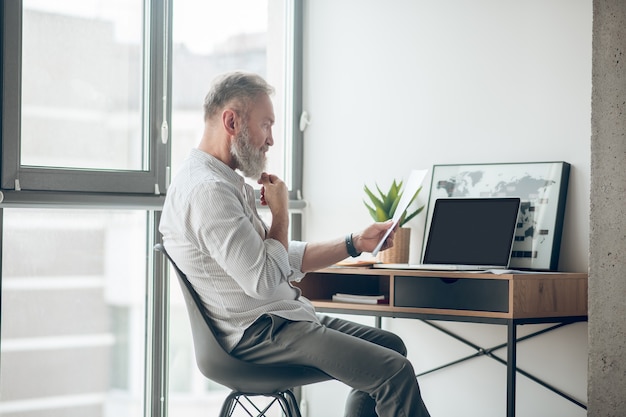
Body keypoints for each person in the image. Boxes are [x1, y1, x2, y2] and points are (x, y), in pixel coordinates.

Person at [159, 71, 431, 417]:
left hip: (280, 321)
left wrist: (355, 243)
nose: (270, 140)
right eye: (266, 125)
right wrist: (281, 212)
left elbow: (277, 257)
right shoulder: (208, 191)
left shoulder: (220, 183)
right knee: (393, 372)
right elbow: (264, 279)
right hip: (259, 334)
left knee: (390, 346)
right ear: (231, 121)